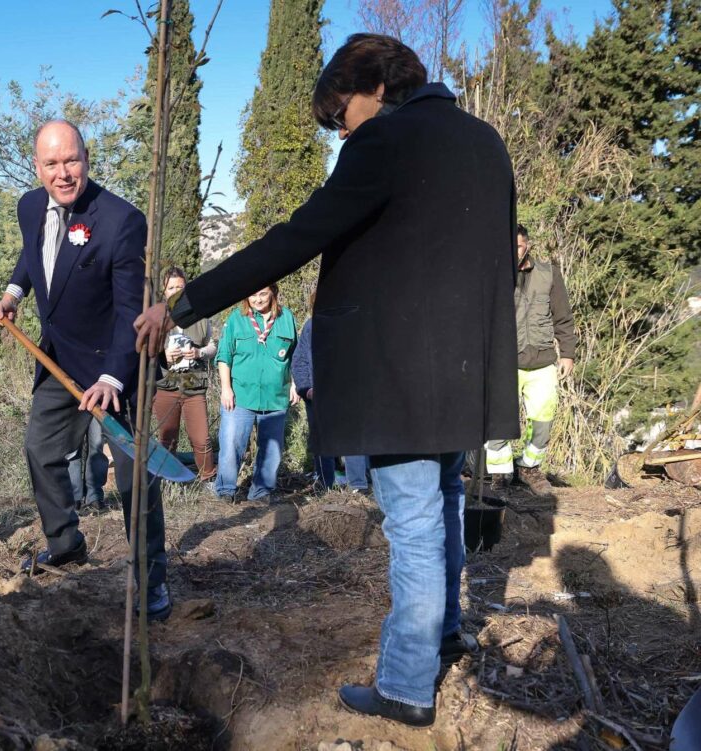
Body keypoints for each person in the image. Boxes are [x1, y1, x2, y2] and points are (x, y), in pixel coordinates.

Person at [136, 34, 519, 727]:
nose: (341, 129)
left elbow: (293, 237)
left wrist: (184, 304)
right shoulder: (484, 141)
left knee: (413, 521)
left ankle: (405, 682)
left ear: (374, 84)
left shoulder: (385, 143)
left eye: (341, 112)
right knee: (448, 498)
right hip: (467, 369)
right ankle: (447, 632)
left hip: (401, 376)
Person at [0, 119, 171, 621]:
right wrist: (13, 294)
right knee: (40, 449)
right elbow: (34, 256)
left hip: (113, 368)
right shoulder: (30, 205)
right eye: (52, 164)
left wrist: (113, 378)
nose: (64, 173)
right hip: (59, 357)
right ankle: (66, 543)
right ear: (38, 167)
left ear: (87, 159)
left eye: (72, 160)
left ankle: (151, 579)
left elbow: (128, 311)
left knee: (135, 480)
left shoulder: (120, 220)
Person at [485, 224, 576, 495]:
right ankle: (499, 473)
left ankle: (529, 468)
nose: (514, 251)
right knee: (499, 422)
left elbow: (563, 317)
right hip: (503, 363)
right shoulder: (493, 275)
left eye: (519, 246)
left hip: (542, 360)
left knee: (542, 422)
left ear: (529, 246)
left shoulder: (548, 274)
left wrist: (568, 354)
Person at [212, 285, 299, 501]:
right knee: (231, 444)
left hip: (275, 397)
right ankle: (225, 490)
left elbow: (296, 356)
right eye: (253, 294)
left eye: (263, 294)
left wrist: (295, 385)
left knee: (271, 449)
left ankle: (261, 491)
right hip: (240, 395)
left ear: (273, 293)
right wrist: (226, 388)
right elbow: (224, 355)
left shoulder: (287, 318)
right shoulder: (236, 319)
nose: (258, 300)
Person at [292, 300, 369, 494]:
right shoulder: (311, 326)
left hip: (350, 395)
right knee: (322, 440)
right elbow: (299, 361)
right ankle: (324, 485)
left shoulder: (357, 325)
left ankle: (358, 486)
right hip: (317, 396)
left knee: (352, 439)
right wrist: (307, 389)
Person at [153, 266, 217, 482]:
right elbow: (144, 351)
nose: (176, 291)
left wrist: (199, 352)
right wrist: (163, 353)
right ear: (164, 290)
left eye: (180, 287)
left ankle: (207, 478)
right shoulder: (156, 318)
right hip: (165, 385)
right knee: (167, 438)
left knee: (202, 439)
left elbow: (213, 346)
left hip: (193, 384)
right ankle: (170, 480)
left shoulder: (200, 315)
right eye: (171, 287)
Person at [68, 418, 108, 513]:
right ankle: (74, 497)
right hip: (73, 405)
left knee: (97, 446)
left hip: (98, 405)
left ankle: (94, 496)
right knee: (72, 450)